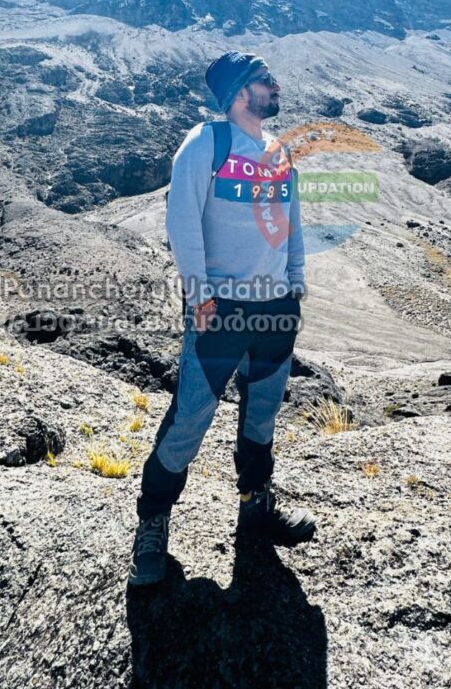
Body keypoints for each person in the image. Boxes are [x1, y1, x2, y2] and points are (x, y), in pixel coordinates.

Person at [128, 50, 316, 587]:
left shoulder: (279, 153)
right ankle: (152, 522)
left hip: (276, 308)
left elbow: (290, 221)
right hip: (221, 309)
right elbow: (182, 220)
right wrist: (200, 295)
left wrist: (295, 283)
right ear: (239, 92)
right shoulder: (206, 143)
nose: (276, 85)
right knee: (190, 417)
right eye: (265, 79)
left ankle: (257, 506)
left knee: (262, 415)